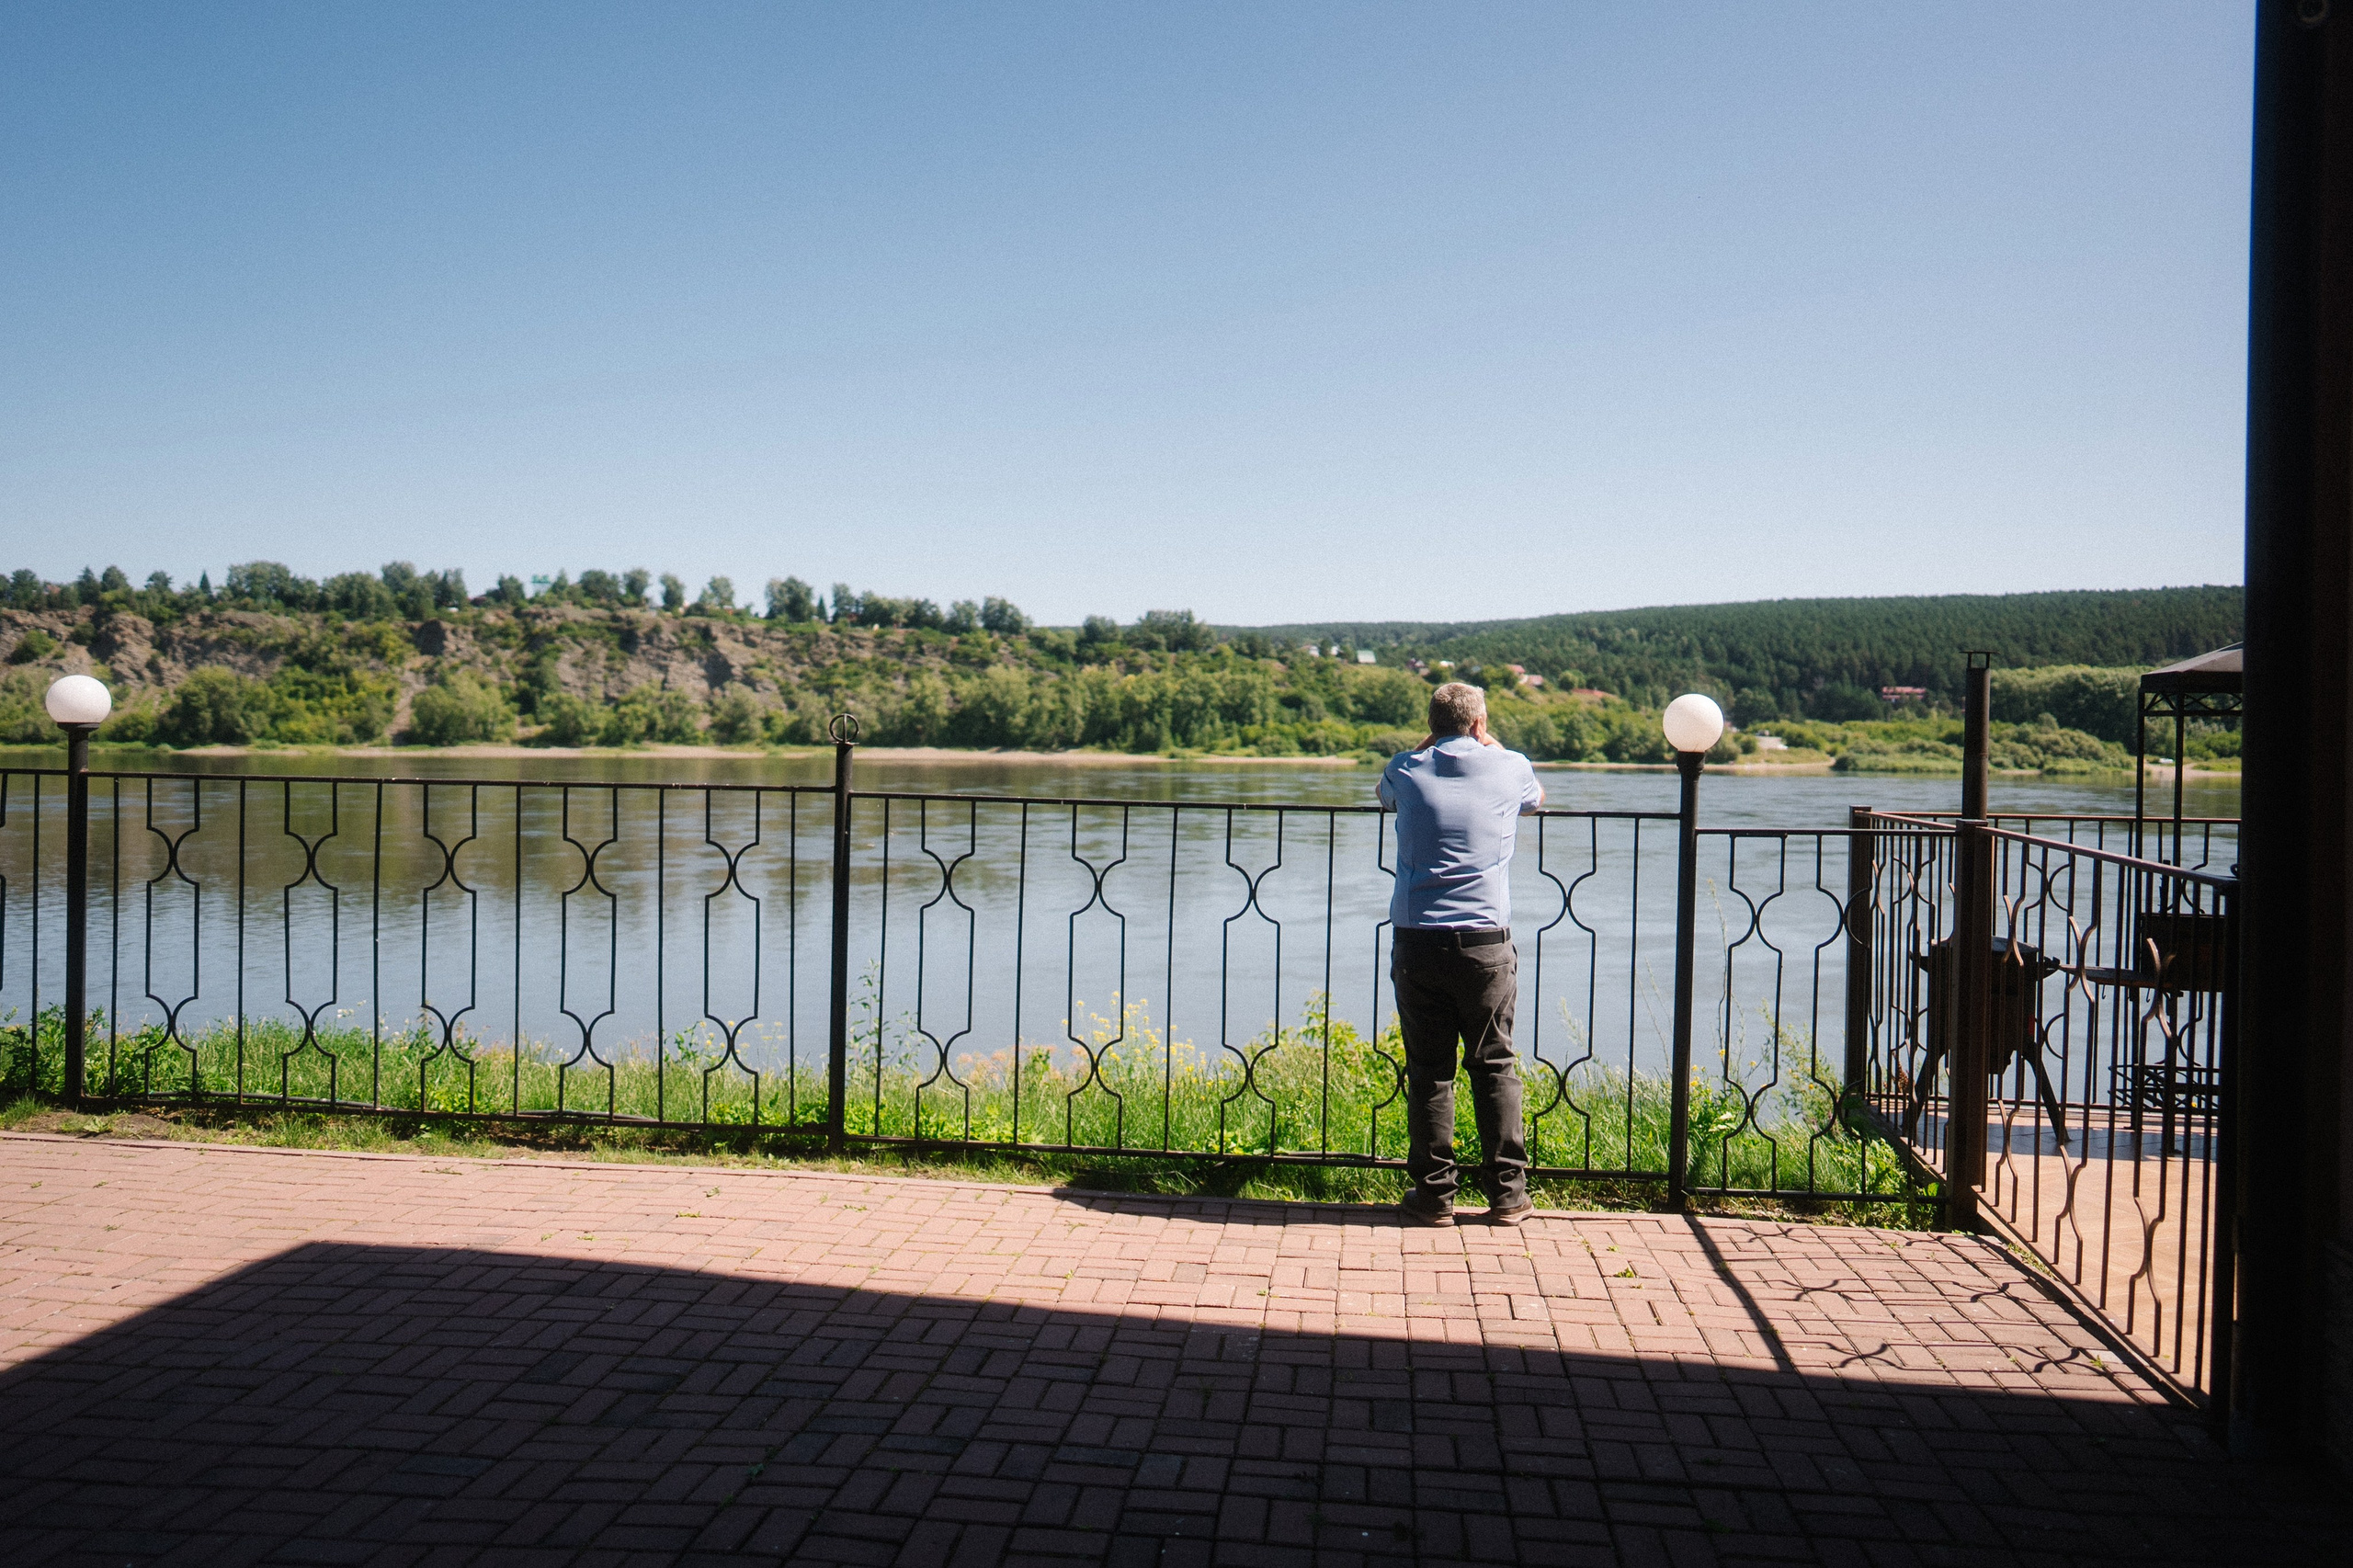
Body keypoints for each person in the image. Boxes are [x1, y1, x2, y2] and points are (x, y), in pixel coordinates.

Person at [1376, 680, 1544, 1226]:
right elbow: (1536, 800)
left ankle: (1434, 1197)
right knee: (1494, 1063)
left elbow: (1384, 798)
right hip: (1484, 945)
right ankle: (1507, 1195)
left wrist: (1430, 745)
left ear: (1432, 725)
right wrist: (1486, 743)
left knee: (1430, 1070)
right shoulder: (1511, 766)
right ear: (1480, 722)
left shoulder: (1405, 767)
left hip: (1418, 939)